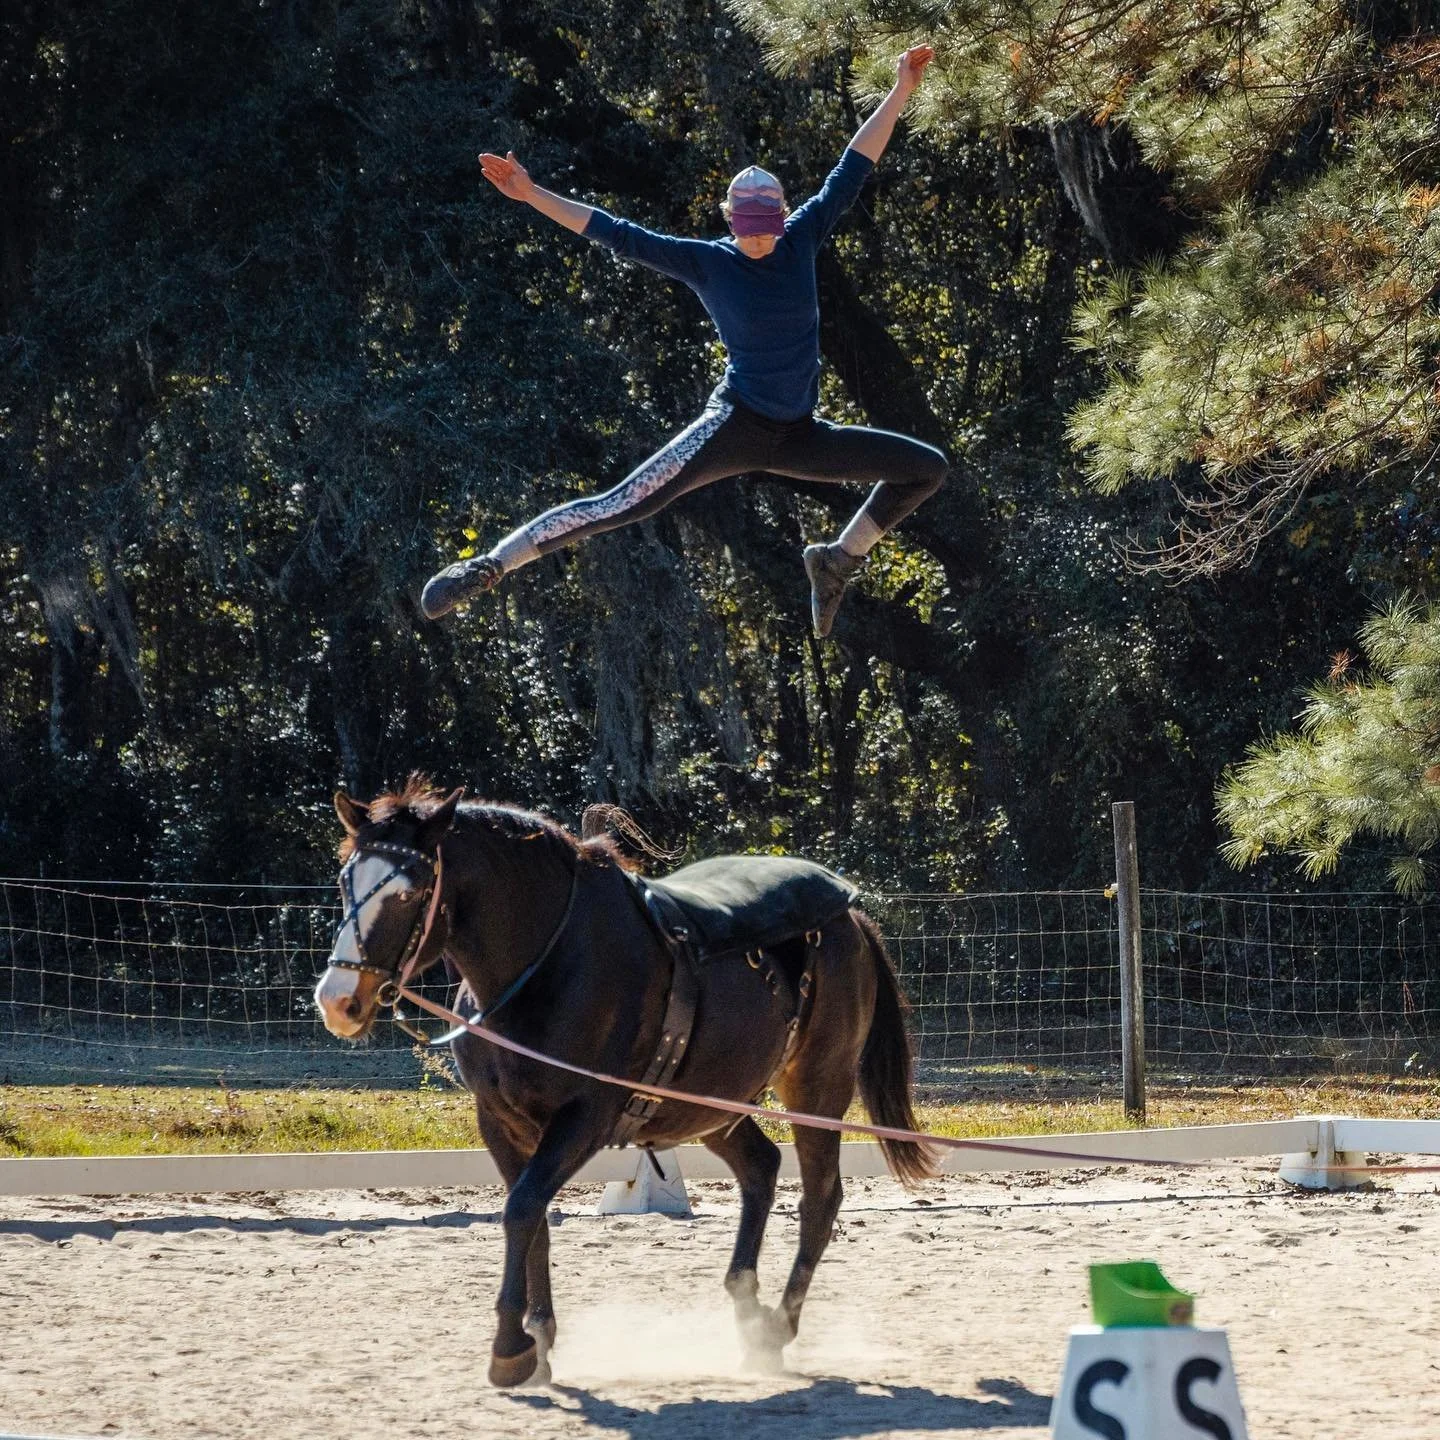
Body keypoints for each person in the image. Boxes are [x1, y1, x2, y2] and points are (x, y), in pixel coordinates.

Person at [422, 45, 947, 638]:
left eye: (766, 229)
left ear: (782, 217)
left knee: (924, 469)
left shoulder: (802, 237)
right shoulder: (705, 263)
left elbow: (853, 165)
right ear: (729, 220)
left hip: (800, 435)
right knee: (623, 503)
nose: (757, 242)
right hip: (734, 426)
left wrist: (901, 88)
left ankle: (836, 561)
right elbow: (612, 230)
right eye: (747, 231)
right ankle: (491, 564)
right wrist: (532, 193)